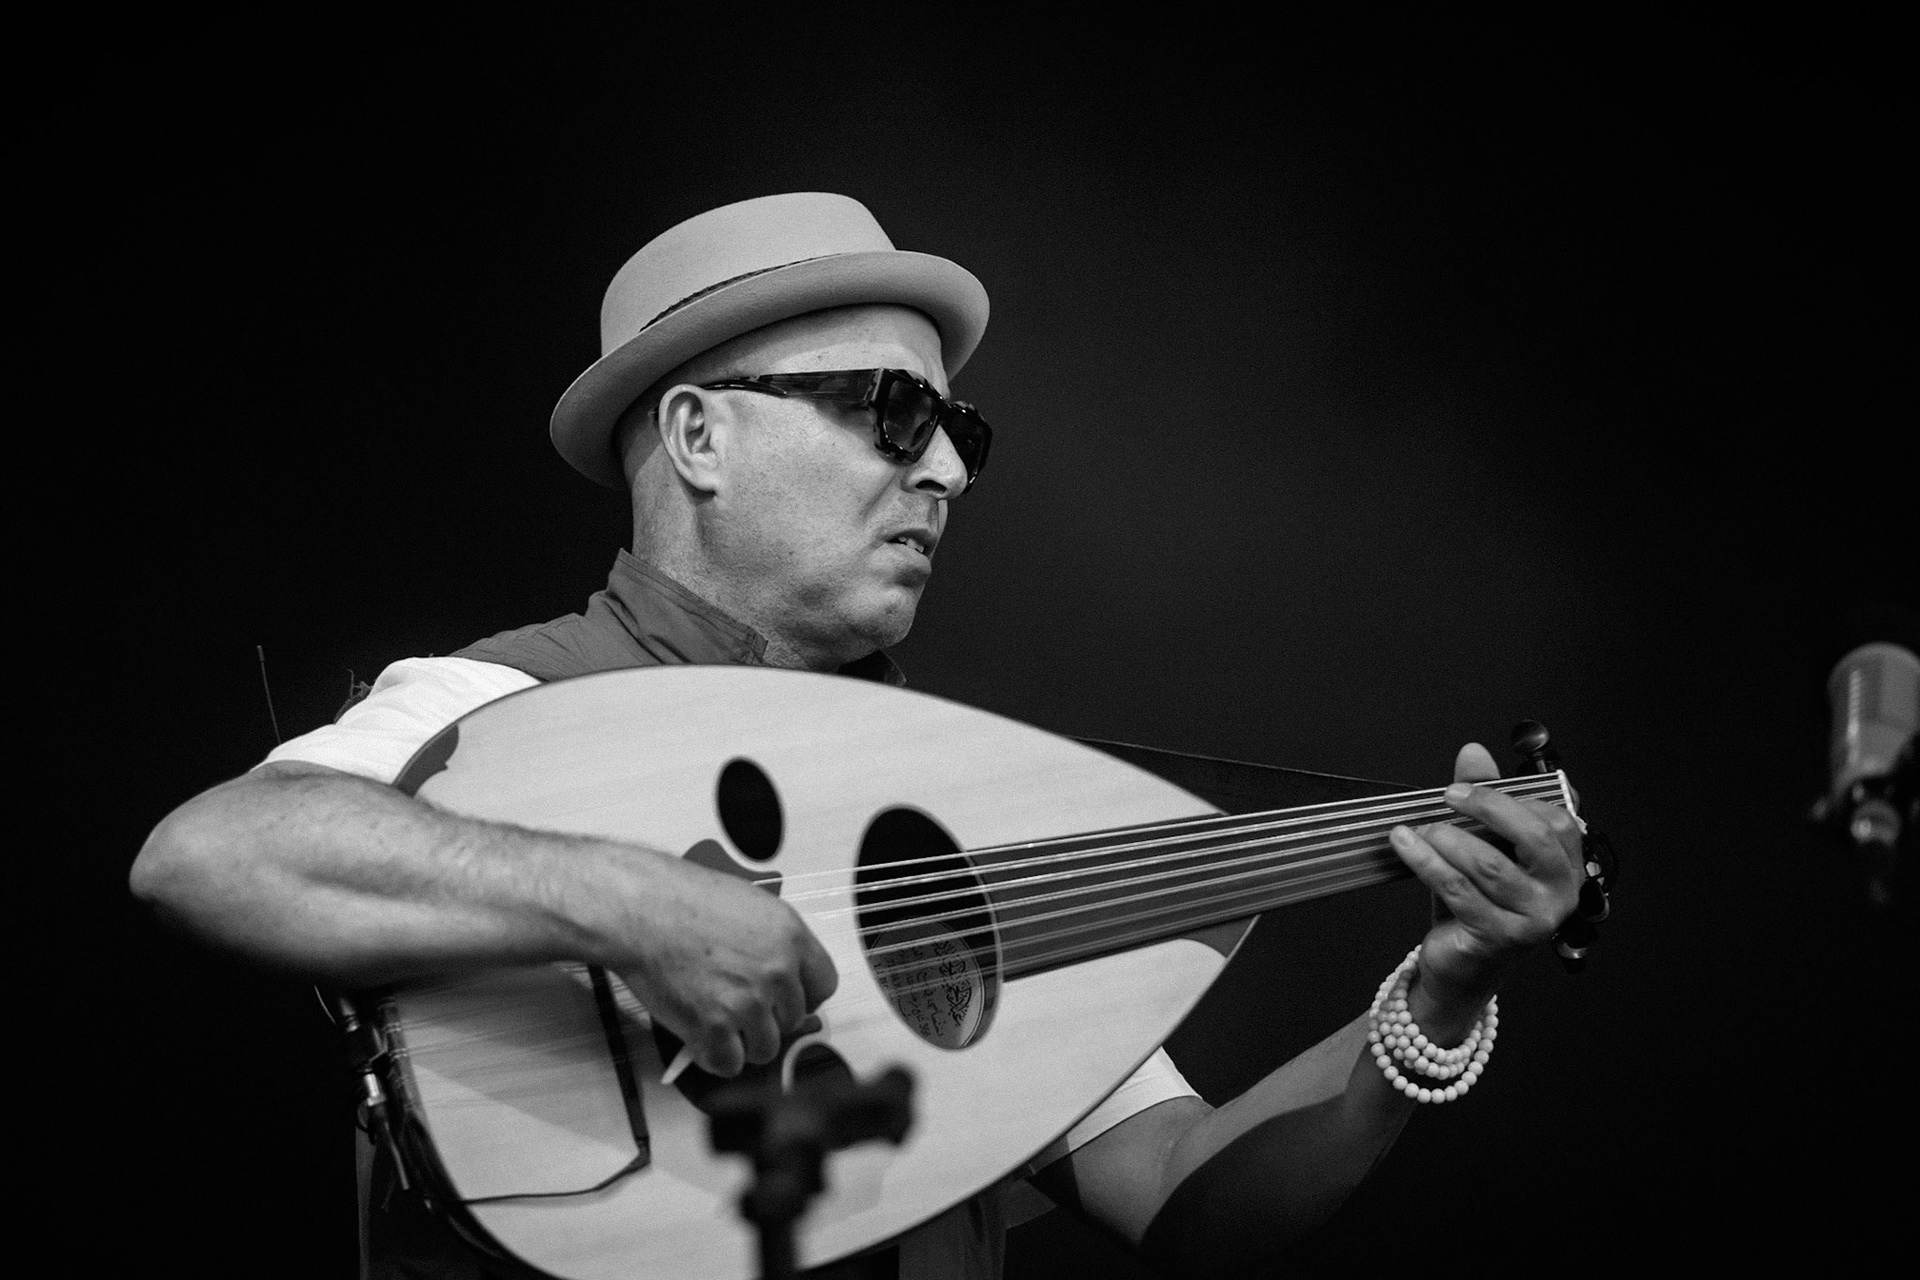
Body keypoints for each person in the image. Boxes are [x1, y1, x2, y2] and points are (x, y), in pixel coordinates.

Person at [130, 192, 1585, 1279]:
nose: (947, 469)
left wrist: (1439, 993)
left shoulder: (969, 811)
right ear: (699, 437)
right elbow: (212, 854)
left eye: (961, 431)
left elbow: (1179, 1192)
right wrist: (631, 903)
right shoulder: (503, 705)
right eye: (893, 413)